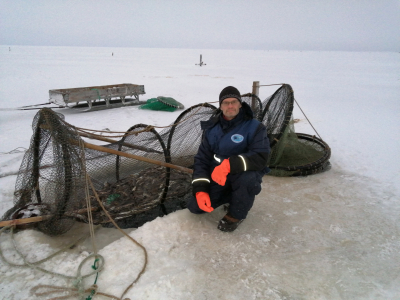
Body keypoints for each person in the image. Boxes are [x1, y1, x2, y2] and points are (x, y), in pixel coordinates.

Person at [187, 86, 271, 232]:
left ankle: (237, 214)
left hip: (243, 174)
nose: (230, 106)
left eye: (234, 102)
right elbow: (202, 160)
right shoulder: (211, 128)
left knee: (247, 179)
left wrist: (228, 165)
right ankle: (228, 195)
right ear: (220, 106)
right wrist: (201, 189)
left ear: (240, 104)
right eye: (226, 103)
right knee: (195, 207)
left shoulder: (255, 127)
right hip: (218, 176)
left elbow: (260, 157)